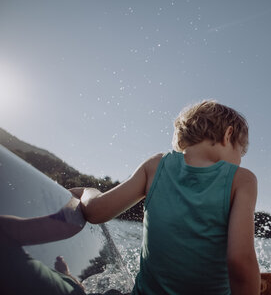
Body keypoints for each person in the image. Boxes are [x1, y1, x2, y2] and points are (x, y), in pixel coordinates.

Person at [70, 100, 261, 295]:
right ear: (228, 135)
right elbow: (240, 260)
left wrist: (87, 191)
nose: (239, 162)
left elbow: (96, 211)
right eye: (240, 152)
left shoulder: (156, 165)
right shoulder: (242, 180)